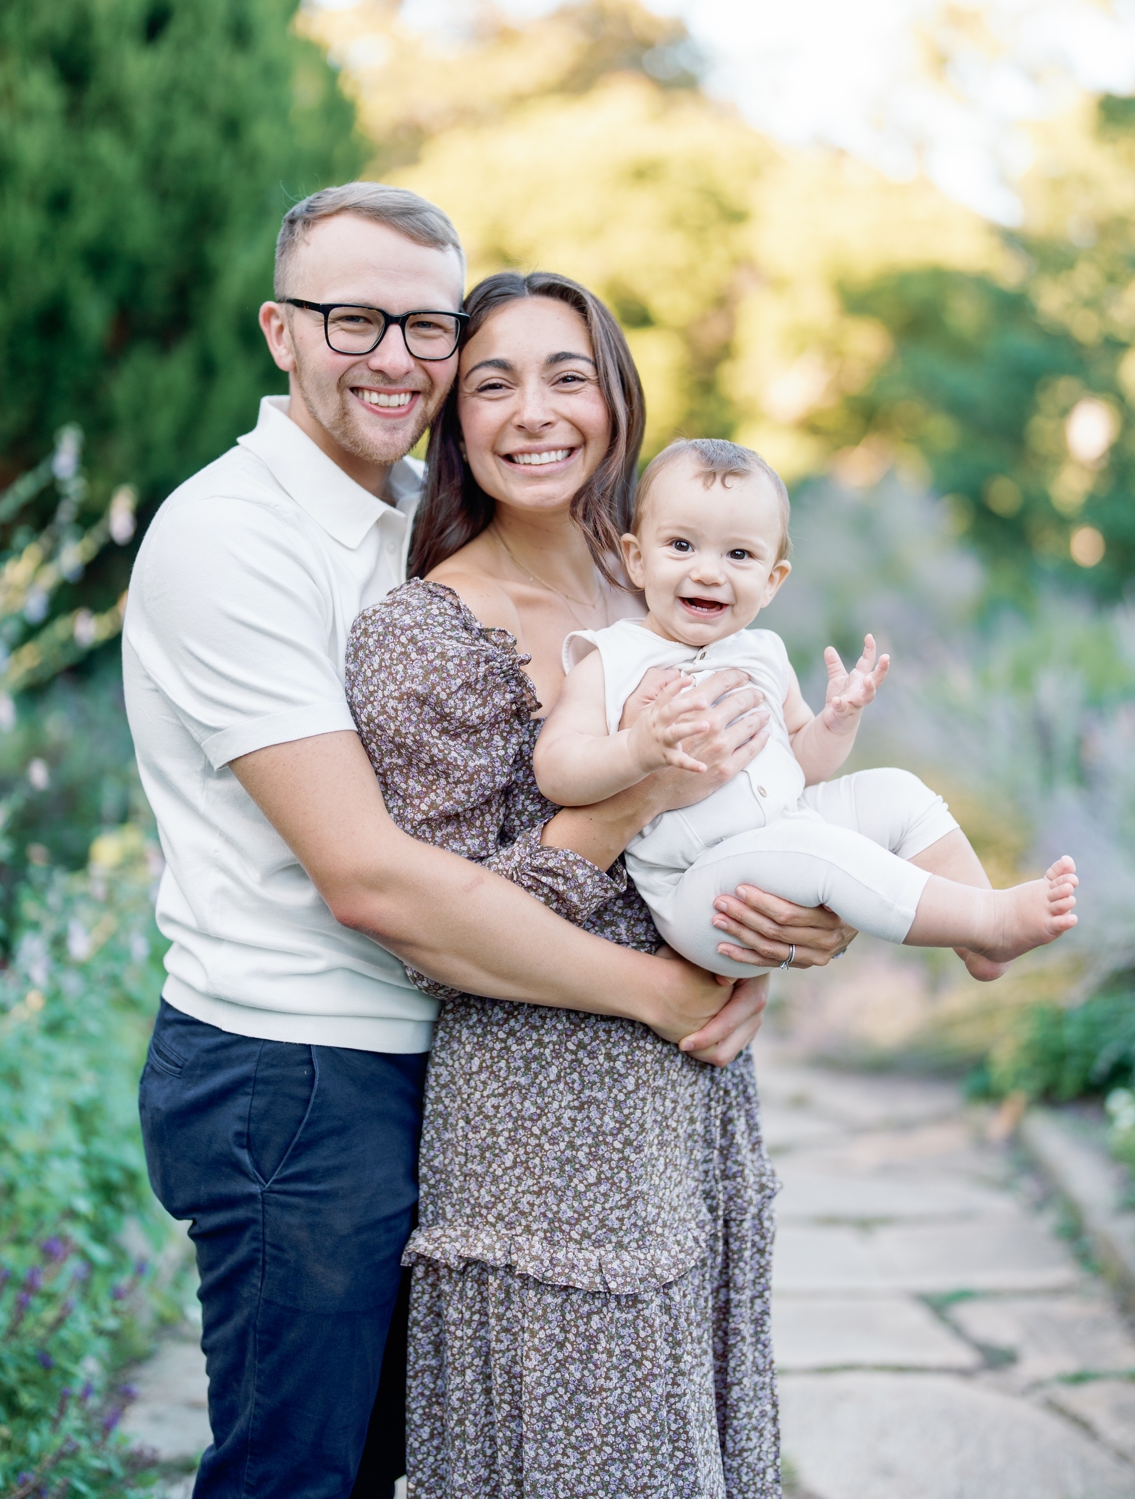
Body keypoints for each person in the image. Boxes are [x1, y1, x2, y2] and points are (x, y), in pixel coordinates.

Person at [125, 185, 841, 1499]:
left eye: (423, 324)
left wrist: (785, 927)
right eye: (354, 320)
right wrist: (672, 995)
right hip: (301, 1072)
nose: (395, 355)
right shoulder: (234, 539)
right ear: (280, 331)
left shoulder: (433, 518)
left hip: (465, 1057)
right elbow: (375, 881)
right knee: (304, 1471)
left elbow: (725, 827)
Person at [344, 273, 856, 1499]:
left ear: (618, 399)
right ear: (453, 421)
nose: (536, 411)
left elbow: (769, 809)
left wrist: (797, 919)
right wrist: (633, 796)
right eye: (493, 382)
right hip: (543, 1128)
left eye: (568, 375)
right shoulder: (425, 632)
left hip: (691, 1110)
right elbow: (438, 926)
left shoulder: (673, 587)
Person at [534, 436, 1079, 976]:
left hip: (786, 830)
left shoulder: (762, 653)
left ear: (772, 581)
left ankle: (979, 939)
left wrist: (836, 721)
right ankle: (991, 921)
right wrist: (637, 747)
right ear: (636, 559)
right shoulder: (611, 657)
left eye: (739, 555)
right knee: (814, 849)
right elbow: (556, 770)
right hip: (700, 888)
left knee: (898, 792)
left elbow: (803, 766)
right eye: (681, 546)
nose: (707, 571)